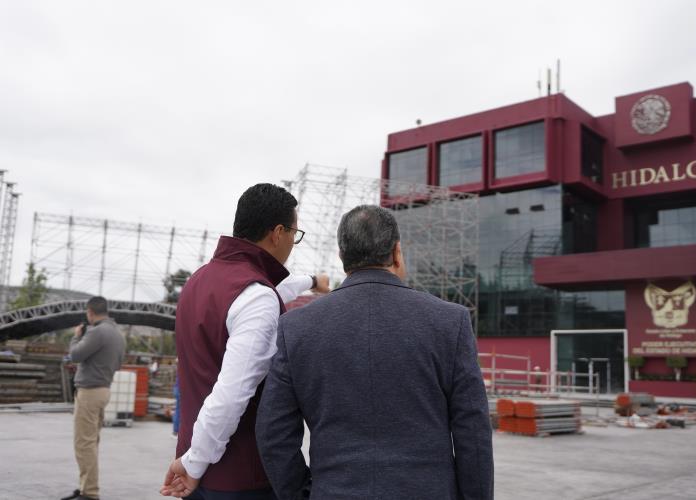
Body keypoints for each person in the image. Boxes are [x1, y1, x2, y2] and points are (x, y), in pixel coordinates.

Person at [256, 205, 494, 500]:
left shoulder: (296, 327)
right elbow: (473, 433)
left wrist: (303, 493)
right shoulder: (449, 321)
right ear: (396, 252)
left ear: (343, 258)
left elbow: (273, 433)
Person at [161, 183, 329, 500]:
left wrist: (312, 281)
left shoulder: (199, 279)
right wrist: (195, 464)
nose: (294, 242)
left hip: (194, 464)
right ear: (277, 233)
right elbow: (230, 395)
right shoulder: (257, 298)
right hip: (238, 479)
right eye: (296, 233)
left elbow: (267, 293)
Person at [61, 296, 126, 500]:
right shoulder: (118, 333)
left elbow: (75, 355)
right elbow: (118, 362)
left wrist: (76, 336)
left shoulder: (98, 331)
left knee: (84, 443)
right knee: (91, 441)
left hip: (89, 392)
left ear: (90, 312)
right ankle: (85, 487)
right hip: (104, 388)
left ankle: (89, 493)